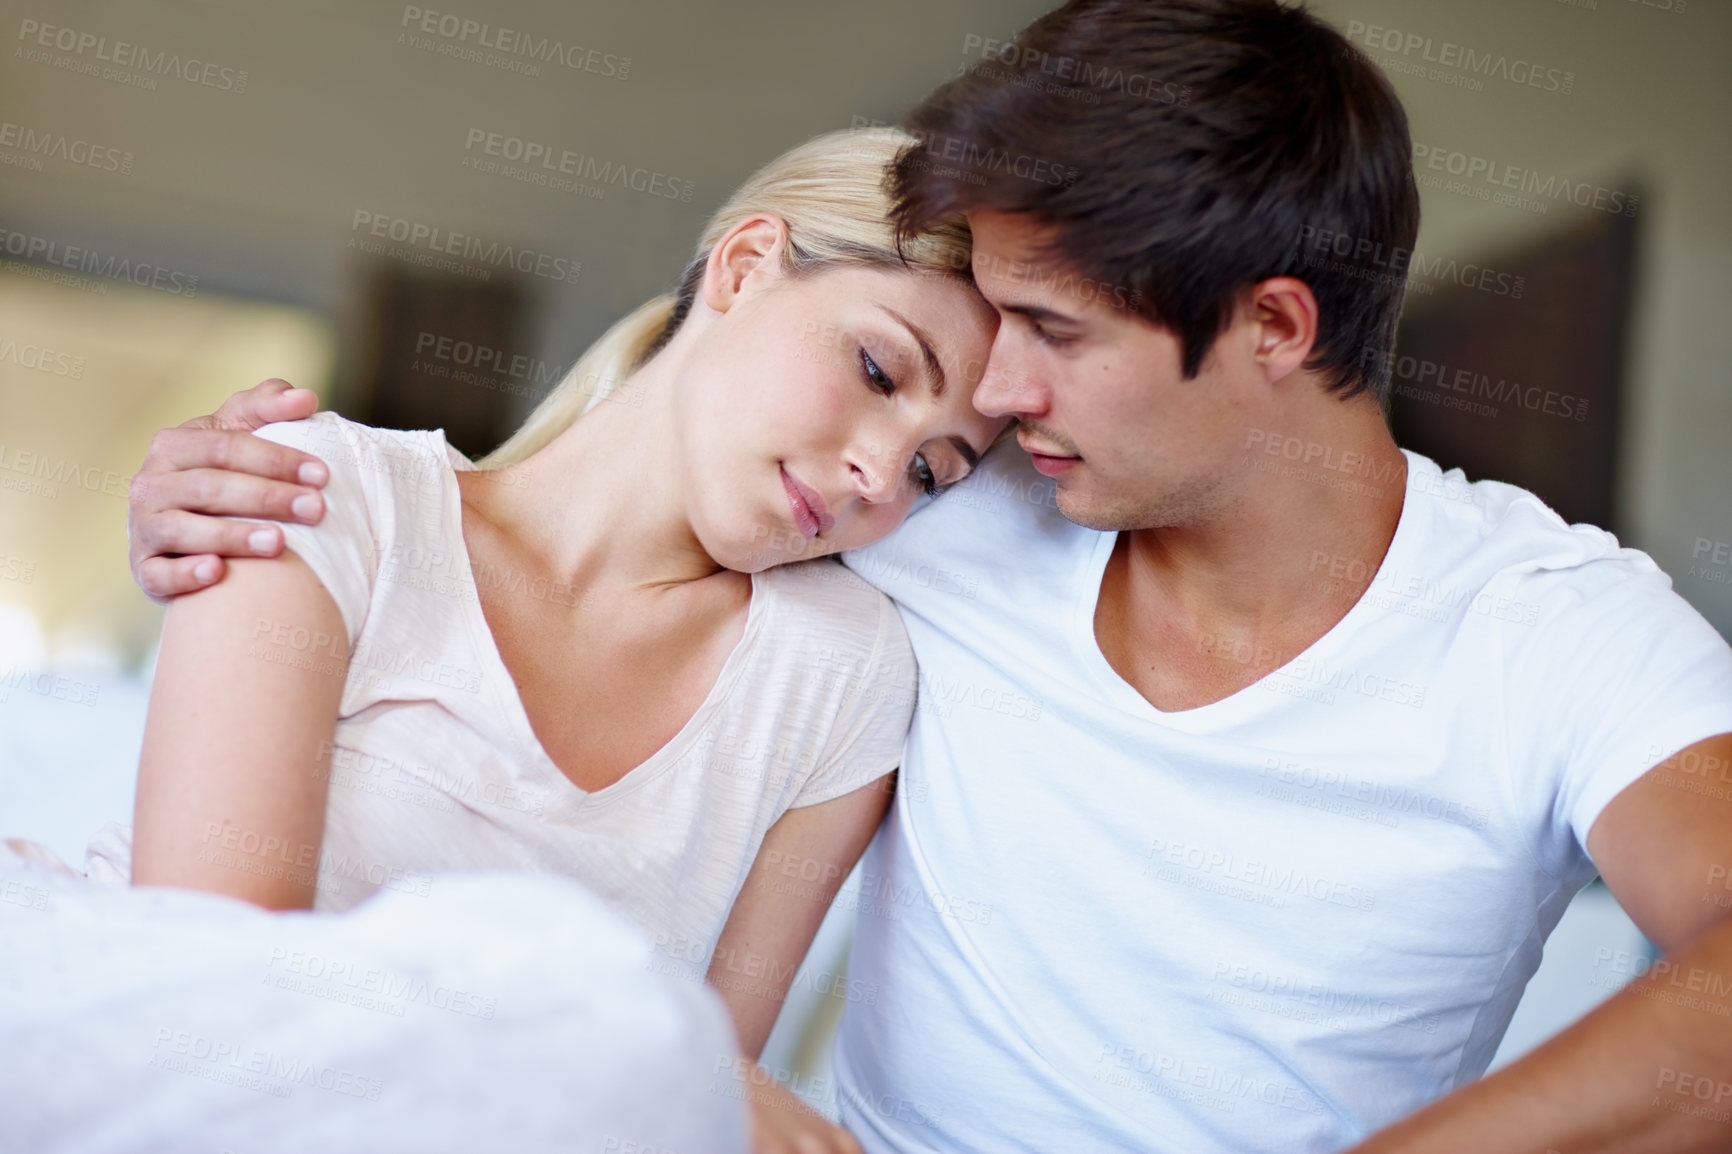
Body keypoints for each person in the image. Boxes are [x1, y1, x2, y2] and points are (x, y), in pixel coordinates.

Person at [129, 1, 1732, 1151]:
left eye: (1054, 331)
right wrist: (241, 503)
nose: (991, 400)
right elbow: (631, 494)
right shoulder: (941, 507)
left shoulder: (1553, 630)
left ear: (1272, 328)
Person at [115, 126, 1006, 1154]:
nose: (881, 473)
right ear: (746, 264)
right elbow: (211, 978)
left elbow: (704, 1087)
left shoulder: (840, 673)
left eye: (935, 472)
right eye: (879, 369)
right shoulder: (329, 496)